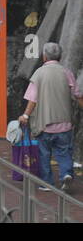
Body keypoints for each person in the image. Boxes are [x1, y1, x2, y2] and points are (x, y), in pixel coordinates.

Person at [18, 42, 83, 191]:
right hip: (64, 123)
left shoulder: (39, 74)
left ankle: (47, 183)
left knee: (43, 154)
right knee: (65, 152)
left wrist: (25, 116)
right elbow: (78, 95)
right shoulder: (66, 72)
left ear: (44, 56)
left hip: (44, 125)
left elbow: (32, 99)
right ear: (60, 56)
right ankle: (66, 174)